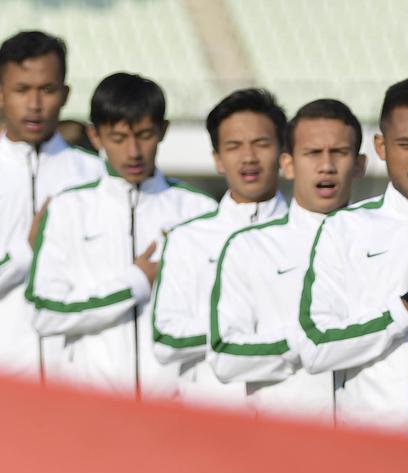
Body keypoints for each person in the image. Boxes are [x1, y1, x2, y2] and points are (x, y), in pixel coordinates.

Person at [296, 79, 408, 436]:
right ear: (381, 147)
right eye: (407, 144)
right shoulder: (344, 229)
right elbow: (315, 348)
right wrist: (405, 310)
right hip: (369, 458)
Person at [25, 72, 215, 398]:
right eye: (118, 138)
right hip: (92, 408)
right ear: (95, 136)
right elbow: (46, 313)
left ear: (163, 130)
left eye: (144, 135)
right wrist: (134, 282)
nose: (134, 151)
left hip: (176, 407)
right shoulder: (68, 207)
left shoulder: (200, 211)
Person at [209, 99, 365, 421]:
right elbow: (225, 356)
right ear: (288, 164)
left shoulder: (384, 243)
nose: (327, 166)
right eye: (312, 153)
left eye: (339, 152)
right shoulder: (248, 247)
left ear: (361, 164)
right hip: (283, 448)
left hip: (372, 446)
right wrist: (312, 341)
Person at [151, 89, 288, 407]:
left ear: (284, 152)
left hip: (290, 419)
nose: (249, 157)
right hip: (209, 419)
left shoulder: (313, 235)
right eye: (234, 146)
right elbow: (166, 339)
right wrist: (240, 330)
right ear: (217, 159)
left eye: (261, 144)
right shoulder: (187, 238)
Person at [0, 30, 103, 380]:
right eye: (21, 89)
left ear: (65, 94)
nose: (34, 104)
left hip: (78, 384)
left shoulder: (98, 175)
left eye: (46, 90)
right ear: (0, 93)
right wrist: (26, 252)